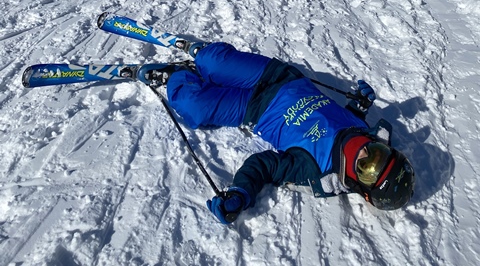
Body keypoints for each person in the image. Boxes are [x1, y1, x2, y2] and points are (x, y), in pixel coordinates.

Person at [146, 42, 415, 224]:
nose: (367, 152)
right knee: (213, 61)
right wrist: (360, 104)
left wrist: (241, 194)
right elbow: (346, 115)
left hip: (253, 110)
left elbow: (263, 166)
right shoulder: (365, 131)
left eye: (368, 168)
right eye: (379, 153)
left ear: (360, 187)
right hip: (278, 78)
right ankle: (200, 53)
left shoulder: (314, 170)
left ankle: (176, 74)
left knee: (194, 107)